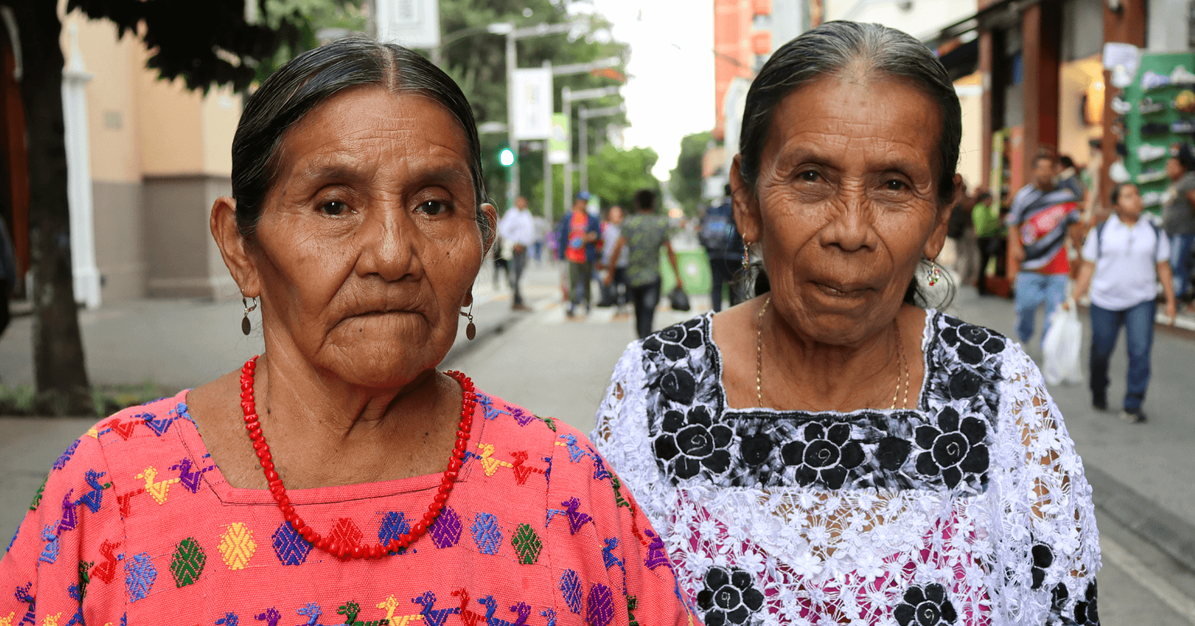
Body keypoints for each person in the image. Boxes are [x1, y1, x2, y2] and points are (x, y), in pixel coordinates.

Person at [0, 39, 694, 626]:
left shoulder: (566, 492)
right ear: (239, 246)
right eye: (334, 205)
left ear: (480, 239)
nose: (393, 254)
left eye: (432, 204)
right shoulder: (111, 493)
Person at [592, 22, 1099, 625]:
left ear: (940, 218)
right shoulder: (659, 387)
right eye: (811, 177)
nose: (851, 231)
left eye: (893, 185)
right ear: (746, 201)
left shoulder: (997, 391)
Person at [1068, 183, 1176, 422]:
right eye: (1128, 196)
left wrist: (1170, 301)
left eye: (1137, 194)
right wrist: (1074, 298)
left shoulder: (1153, 231)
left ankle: (1133, 404)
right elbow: (1088, 266)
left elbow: (1163, 267)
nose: (1136, 199)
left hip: (1141, 301)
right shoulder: (1102, 230)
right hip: (1104, 301)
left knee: (1140, 351)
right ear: (1116, 205)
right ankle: (1098, 389)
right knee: (1101, 352)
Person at [1008, 153, 1083, 346]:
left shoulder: (1065, 196)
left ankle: (1048, 348)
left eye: (1049, 168)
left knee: (1054, 313)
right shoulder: (1023, 196)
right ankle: (1023, 337)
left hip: (1058, 266)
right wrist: (1016, 247)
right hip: (1030, 265)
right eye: (1040, 168)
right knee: (1025, 307)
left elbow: (1074, 225)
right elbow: (1013, 223)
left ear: (1055, 171)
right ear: (1033, 170)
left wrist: (1080, 253)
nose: (1044, 173)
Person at [604, 190, 682, 339]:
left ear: (637, 203)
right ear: (653, 203)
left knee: (638, 312)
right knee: (648, 312)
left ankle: (641, 339)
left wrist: (610, 273)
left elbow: (617, 249)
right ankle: (645, 340)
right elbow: (670, 251)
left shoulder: (628, 223)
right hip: (652, 277)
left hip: (632, 277)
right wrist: (677, 276)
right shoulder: (660, 223)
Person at [699, 185, 744, 312]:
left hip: (715, 254)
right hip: (735, 256)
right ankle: (733, 318)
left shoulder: (714, 209)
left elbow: (703, 231)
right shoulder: (740, 209)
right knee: (735, 288)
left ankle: (717, 318)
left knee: (716, 286)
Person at [557, 192, 601, 317]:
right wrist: (561, 255)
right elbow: (563, 236)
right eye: (582, 201)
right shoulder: (569, 217)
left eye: (586, 202)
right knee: (573, 281)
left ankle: (586, 301)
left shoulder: (592, 218)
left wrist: (586, 239)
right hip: (572, 255)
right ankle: (573, 303)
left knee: (587, 280)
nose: (584, 204)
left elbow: (597, 235)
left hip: (587, 254)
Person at [1162, 146, 1195, 304]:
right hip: (1171, 232)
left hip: (1183, 231)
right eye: (1167, 165)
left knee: (1177, 262)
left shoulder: (1188, 181)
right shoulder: (1173, 184)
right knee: (1174, 262)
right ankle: (1178, 292)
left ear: (1183, 167)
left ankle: (1181, 294)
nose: (1168, 169)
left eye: (1173, 166)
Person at [498, 195, 535, 311]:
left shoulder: (527, 214)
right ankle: (517, 299)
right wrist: (514, 243)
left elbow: (530, 231)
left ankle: (517, 299)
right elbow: (503, 230)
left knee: (519, 273)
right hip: (514, 248)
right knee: (513, 274)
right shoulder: (511, 214)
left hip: (524, 248)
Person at [972, 189, 1004, 296]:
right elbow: (982, 228)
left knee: (984, 264)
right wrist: (997, 225)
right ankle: (982, 288)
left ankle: (983, 287)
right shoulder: (981, 209)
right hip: (984, 239)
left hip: (986, 239)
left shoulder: (984, 209)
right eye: (991, 200)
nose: (992, 202)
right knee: (983, 264)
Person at [598, 205, 629, 310]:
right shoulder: (605, 228)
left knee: (623, 284)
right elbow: (601, 244)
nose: (615, 216)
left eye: (617, 214)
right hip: (608, 262)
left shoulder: (626, 228)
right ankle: (610, 299)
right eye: (613, 214)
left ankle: (622, 301)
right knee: (609, 283)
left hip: (624, 261)